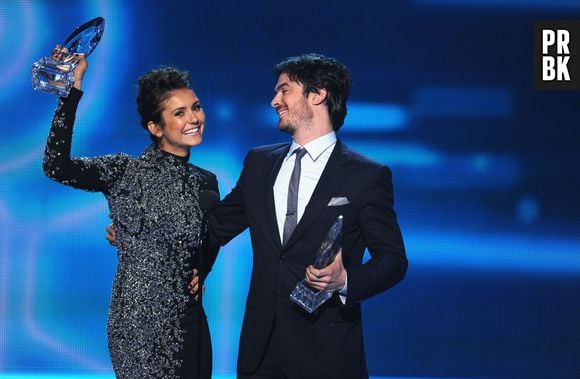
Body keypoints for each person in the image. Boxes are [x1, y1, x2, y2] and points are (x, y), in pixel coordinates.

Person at [204, 53, 408, 378]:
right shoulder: (259, 164)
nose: (274, 101)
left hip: (325, 352)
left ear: (317, 94)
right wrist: (140, 228)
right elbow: (215, 227)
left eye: (284, 90)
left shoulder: (366, 176)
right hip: (261, 351)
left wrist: (345, 282)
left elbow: (394, 260)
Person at [43, 47, 218, 378]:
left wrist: (200, 273)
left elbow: (209, 240)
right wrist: (71, 91)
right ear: (155, 127)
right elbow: (56, 165)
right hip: (138, 327)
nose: (193, 118)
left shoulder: (206, 183)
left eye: (195, 108)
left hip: (190, 321)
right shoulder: (125, 171)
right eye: (179, 113)